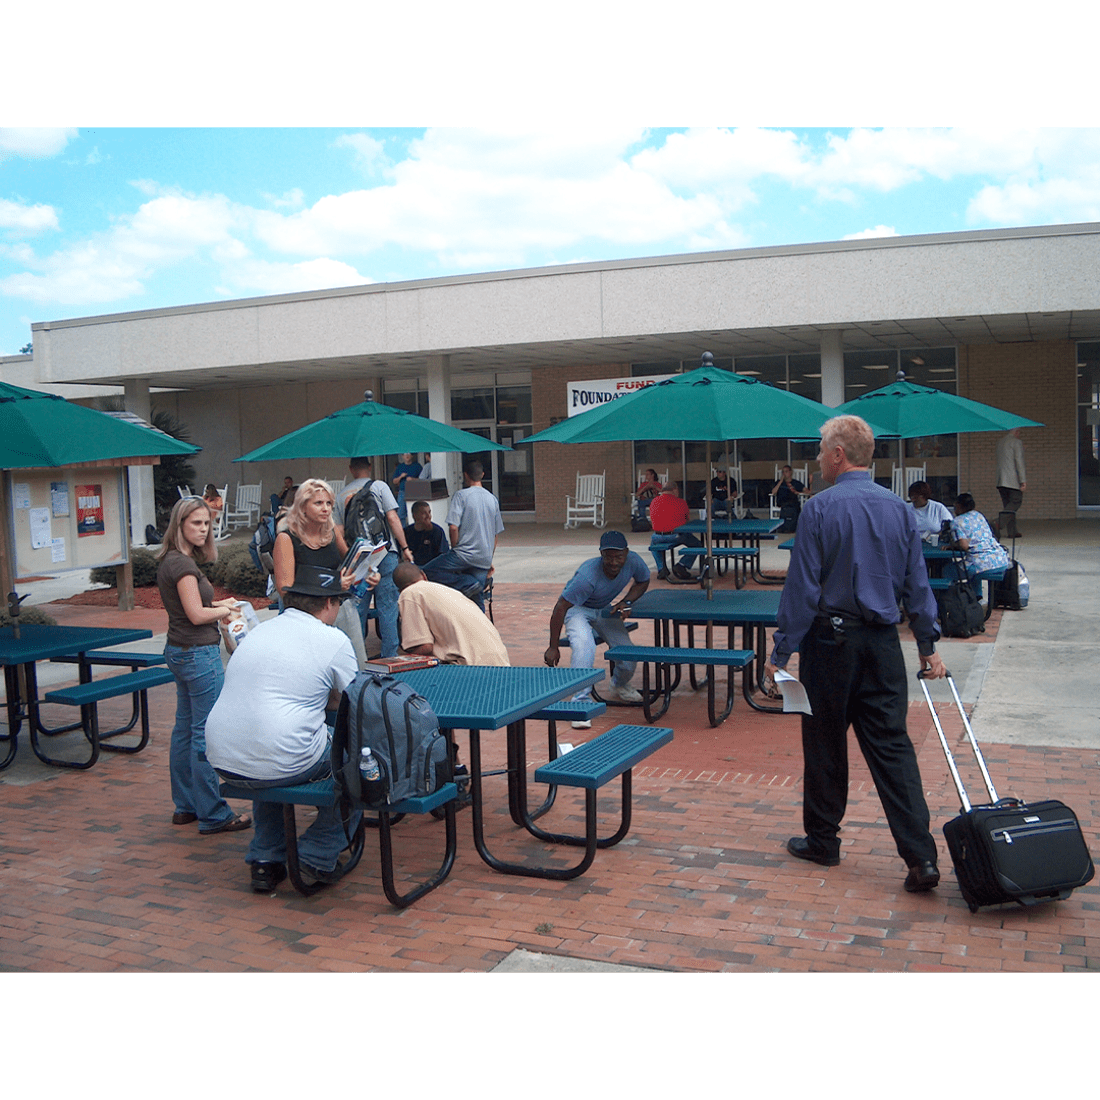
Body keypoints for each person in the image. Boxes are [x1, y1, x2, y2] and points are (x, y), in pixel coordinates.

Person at [765, 414, 946, 894]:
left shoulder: (819, 510)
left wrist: (781, 651)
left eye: (822, 450)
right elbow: (917, 585)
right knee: (892, 748)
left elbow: (801, 589)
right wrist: (927, 645)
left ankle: (823, 841)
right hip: (883, 645)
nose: (818, 458)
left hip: (831, 642)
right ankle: (921, 856)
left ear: (839, 455)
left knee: (825, 744)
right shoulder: (900, 510)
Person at [205, 563, 361, 892]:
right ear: (330, 603)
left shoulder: (259, 630)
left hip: (223, 757)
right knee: (358, 762)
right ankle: (316, 853)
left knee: (272, 755)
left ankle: (265, 860)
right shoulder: (333, 639)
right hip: (279, 755)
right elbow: (355, 702)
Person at [154, 496, 251, 835]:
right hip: (198, 654)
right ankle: (213, 813)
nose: (203, 529)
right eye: (196, 523)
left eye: (207, 524)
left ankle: (186, 806)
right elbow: (196, 615)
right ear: (179, 523)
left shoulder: (171, 561)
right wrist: (226, 611)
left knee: (184, 730)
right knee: (203, 734)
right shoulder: (182, 566)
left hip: (179, 651)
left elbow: (192, 605)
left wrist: (217, 602)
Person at [544, 530, 650, 726]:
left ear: (626, 553)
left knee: (627, 650)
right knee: (585, 645)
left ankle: (619, 685)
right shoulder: (587, 576)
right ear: (601, 554)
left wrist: (626, 601)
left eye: (618, 556)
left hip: (603, 609)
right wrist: (553, 646)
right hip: (577, 609)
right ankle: (580, 703)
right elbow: (560, 608)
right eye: (608, 557)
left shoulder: (634, 561)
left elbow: (643, 581)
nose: (613, 562)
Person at [273, 478, 366, 668]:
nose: (326, 508)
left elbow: (350, 562)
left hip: (340, 607)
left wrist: (368, 571)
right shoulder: (286, 538)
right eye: (318, 503)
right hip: (308, 616)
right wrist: (332, 585)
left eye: (329, 503)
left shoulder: (331, 532)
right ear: (302, 506)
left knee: (357, 667)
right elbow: (285, 591)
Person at [334, 457, 415, 659]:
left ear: (351, 469)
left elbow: (339, 532)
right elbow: (392, 518)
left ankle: (357, 657)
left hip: (359, 556)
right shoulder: (379, 486)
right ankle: (390, 656)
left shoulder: (341, 495)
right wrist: (404, 547)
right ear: (369, 468)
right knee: (388, 605)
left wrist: (350, 559)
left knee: (357, 607)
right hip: (385, 553)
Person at [422, 459, 503, 612]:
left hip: (463, 553)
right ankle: (482, 632)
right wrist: (488, 557)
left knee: (428, 571)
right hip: (483, 557)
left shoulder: (461, 496)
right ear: (483, 475)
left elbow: (453, 527)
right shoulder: (492, 499)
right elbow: (495, 534)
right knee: (477, 598)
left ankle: (465, 582)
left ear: (465, 475)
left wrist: (455, 547)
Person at [394, 563, 510, 666]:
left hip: (471, 666)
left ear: (399, 590)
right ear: (424, 576)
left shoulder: (409, 594)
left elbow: (425, 647)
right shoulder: (448, 591)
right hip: (500, 660)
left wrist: (399, 657)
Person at [947, 492, 1011, 592]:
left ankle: (951, 601)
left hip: (982, 565)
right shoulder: (979, 515)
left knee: (948, 570)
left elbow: (964, 546)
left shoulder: (956, 522)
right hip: (1001, 560)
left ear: (958, 506)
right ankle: (978, 598)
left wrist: (951, 545)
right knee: (970, 565)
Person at [648, 482, 704, 580]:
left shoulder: (654, 501)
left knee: (653, 545)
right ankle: (682, 564)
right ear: (675, 490)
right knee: (697, 544)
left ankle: (661, 568)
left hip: (657, 536)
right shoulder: (681, 502)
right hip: (676, 535)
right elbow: (686, 520)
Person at [995, 428, 1027, 536]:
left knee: (1007, 505)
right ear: (1017, 432)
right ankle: (998, 523)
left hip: (1000, 479)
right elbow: (1019, 461)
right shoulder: (1016, 442)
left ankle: (1012, 531)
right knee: (1016, 501)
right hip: (1011, 479)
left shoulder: (1000, 442)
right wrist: (1022, 480)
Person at [403, 500, 446, 567]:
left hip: (433, 567)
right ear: (415, 516)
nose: (428, 516)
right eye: (424, 513)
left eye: (429, 512)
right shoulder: (407, 532)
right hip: (413, 567)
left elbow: (443, 555)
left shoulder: (437, 531)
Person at [770, 465, 807, 533]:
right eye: (783, 472)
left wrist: (797, 492)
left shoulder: (796, 483)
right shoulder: (779, 482)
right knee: (787, 507)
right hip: (782, 504)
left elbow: (807, 491)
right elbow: (773, 492)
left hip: (793, 503)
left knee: (793, 507)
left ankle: (791, 527)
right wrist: (780, 481)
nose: (784, 473)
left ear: (791, 472)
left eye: (786, 471)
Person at [391, 452, 423, 525]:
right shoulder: (400, 467)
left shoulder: (417, 466)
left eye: (409, 454)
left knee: (415, 512)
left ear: (412, 455)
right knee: (401, 513)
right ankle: (404, 531)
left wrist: (413, 479)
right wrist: (401, 477)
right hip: (402, 492)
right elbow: (394, 481)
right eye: (405, 454)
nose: (407, 455)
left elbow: (423, 479)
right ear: (402, 456)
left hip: (415, 492)